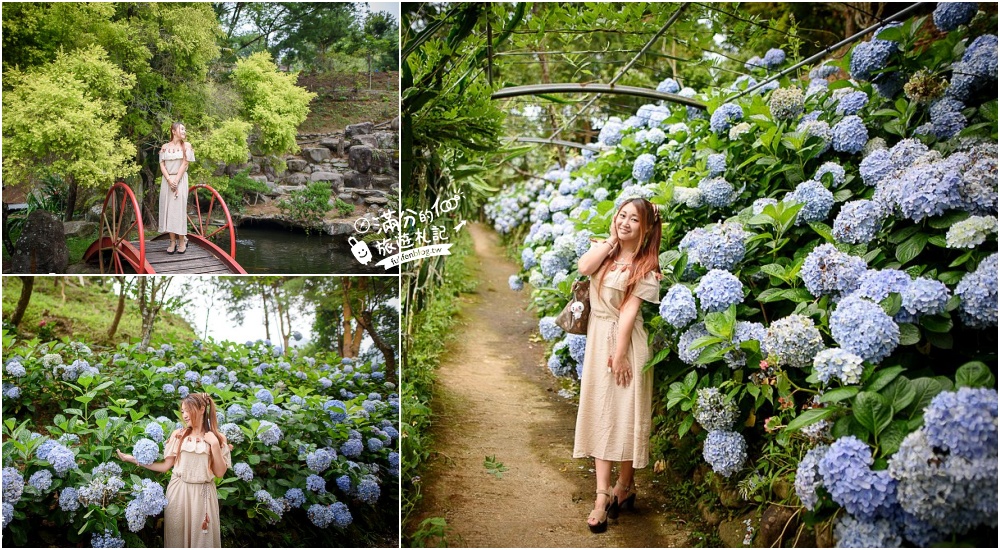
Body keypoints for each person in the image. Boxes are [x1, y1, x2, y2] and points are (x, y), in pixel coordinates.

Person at [573, 197, 662, 533]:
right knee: (601, 412)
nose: (625, 222)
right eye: (621, 216)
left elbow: (629, 311)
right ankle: (601, 495)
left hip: (626, 341)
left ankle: (623, 487)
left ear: (646, 227)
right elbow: (584, 268)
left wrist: (621, 352)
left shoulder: (647, 267)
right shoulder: (605, 249)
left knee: (624, 414)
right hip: (598, 339)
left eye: (633, 219)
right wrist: (612, 240)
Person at [117, 393, 231, 547]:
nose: (184, 415)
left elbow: (220, 473)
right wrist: (132, 459)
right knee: (176, 539)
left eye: (187, 410)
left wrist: (215, 445)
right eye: (182, 411)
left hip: (203, 495)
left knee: (202, 540)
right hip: (178, 492)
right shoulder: (179, 435)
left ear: (202, 409)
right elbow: (164, 466)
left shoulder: (217, 438)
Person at [159, 122, 195, 254]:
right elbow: (162, 165)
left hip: (180, 180)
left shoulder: (186, 146)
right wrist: (169, 180)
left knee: (178, 210)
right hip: (167, 180)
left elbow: (185, 164)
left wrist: (176, 181)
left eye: (185, 129)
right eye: (182, 129)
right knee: (168, 210)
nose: (185, 131)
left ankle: (182, 240)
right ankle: (172, 241)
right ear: (174, 131)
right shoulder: (165, 147)